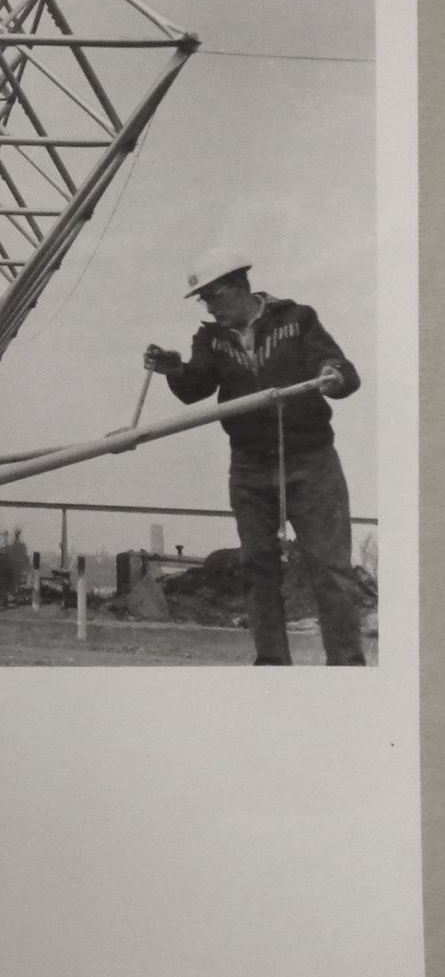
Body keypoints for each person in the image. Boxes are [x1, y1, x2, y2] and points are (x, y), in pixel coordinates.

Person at [143, 248, 365, 665]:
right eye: (204, 300)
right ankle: (272, 665)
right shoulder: (209, 338)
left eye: (214, 296)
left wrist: (333, 376)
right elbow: (196, 388)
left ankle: (348, 667)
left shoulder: (297, 319)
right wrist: (173, 368)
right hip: (250, 467)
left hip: (311, 460)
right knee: (258, 566)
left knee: (331, 570)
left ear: (240, 287)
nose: (209, 307)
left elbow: (341, 369)